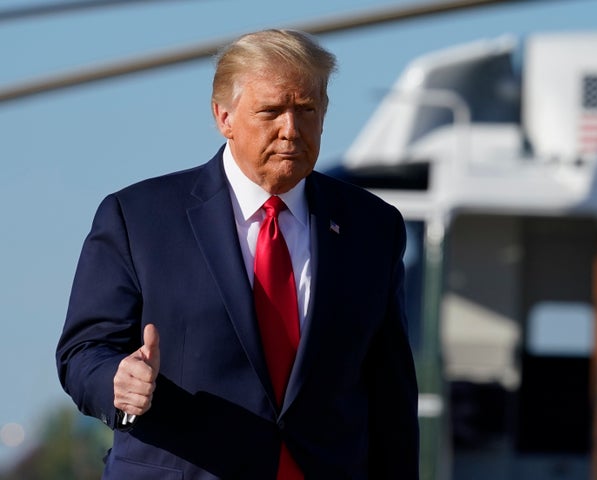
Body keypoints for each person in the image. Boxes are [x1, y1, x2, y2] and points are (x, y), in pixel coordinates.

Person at [56, 29, 419, 479]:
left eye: (307, 110)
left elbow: (391, 394)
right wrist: (117, 381)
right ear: (224, 117)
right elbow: (83, 351)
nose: (291, 130)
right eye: (271, 112)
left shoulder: (372, 227)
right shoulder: (138, 218)